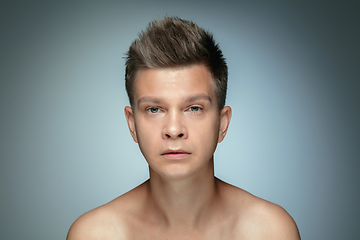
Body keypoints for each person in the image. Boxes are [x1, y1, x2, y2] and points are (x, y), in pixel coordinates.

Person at [67, 16, 300, 239]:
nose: (174, 129)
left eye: (194, 108)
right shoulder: (95, 234)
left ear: (222, 123)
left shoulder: (269, 232)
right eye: (154, 109)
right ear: (132, 124)